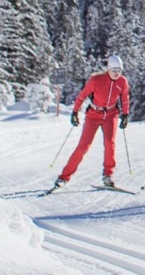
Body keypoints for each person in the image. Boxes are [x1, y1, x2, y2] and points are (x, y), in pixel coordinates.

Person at [52, 55, 131, 190]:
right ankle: (64, 177)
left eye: (119, 70)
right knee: (83, 146)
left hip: (111, 115)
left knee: (110, 144)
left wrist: (125, 114)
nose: (116, 73)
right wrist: (75, 112)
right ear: (108, 68)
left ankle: (108, 175)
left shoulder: (122, 82)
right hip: (94, 115)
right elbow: (82, 95)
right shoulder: (96, 80)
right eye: (114, 70)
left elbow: (124, 98)